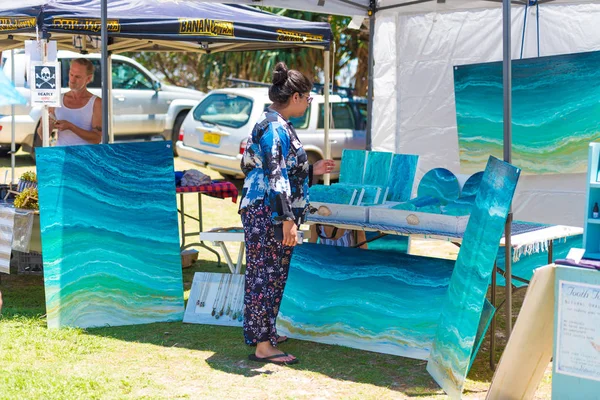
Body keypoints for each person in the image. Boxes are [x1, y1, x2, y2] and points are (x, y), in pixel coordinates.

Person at [239, 62, 334, 366]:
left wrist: (310, 169)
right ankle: (263, 345)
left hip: (269, 210)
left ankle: (267, 333)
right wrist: (287, 220)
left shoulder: (276, 124)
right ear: (295, 96)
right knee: (264, 274)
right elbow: (275, 176)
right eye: (308, 98)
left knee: (273, 273)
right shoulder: (275, 127)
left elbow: (279, 168)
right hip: (268, 212)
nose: (308, 104)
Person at [37, 58, 102, 146]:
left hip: (84, 156)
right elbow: (43, 136)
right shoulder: (57, 99)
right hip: (62, 155)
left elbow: (97, 138)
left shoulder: (96, 103)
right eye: (71, 74)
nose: (72, 80)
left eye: (77, 77)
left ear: (89, 78)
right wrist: (43, 122)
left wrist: (71, 127)